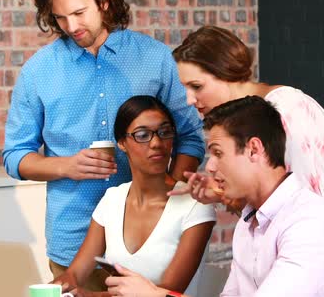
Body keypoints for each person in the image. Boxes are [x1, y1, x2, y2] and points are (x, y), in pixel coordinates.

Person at [2, 0, 204, 290]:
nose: (71, 27)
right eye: (60, 18)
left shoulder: (155, 58)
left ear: (105, 0)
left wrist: (173, 202)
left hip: (150, 245)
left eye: (79, 13)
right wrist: (67, 166)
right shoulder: (38, 72)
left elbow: (190, 139)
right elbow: (15, 156)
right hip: (72, 240)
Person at [169, 26, 324, 295]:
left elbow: (318, 207)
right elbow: (271, 201)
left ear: (225, 72)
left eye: (196, 86)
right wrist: (221, 192)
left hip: (319, 259)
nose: (189, 99)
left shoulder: (287, 109)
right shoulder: (248, 118)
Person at [106, 96, 324, 296]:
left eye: (218, 153)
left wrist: (156, 295)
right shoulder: (247, 225)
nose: (211, 167)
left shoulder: (310, 222)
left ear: (254, 150)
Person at [53, 96, 216, 296]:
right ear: (122, 143)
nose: (156, 143)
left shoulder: (195, 205)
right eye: (143, 135)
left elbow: (166, 292)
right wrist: (56, 288)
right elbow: (75, 274)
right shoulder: (112, 199)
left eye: (164, 132)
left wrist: (92, 295)